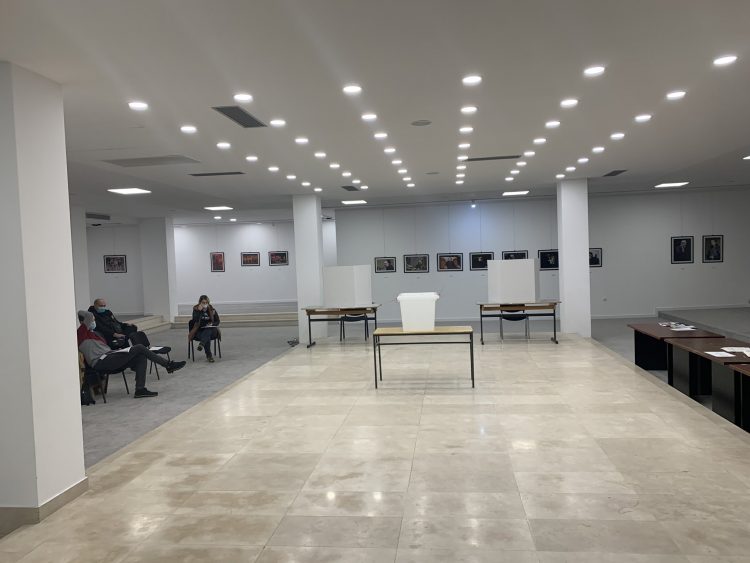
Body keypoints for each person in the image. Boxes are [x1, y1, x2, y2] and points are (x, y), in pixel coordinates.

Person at [77, 311, 185, 398]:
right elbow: (86, 315)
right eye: (93, 320)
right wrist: (94, 310)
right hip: (101, 361)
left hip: (110, 356)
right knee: (139, 347)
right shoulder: (80, 333)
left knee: (141, 356)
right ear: (84, 322)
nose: (94, 322)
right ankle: (168, 365)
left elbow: (104, 348)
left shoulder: (95, 333)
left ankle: (140, 389)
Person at [188, 295, 221, 363]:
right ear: (200, 303)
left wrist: (212, 324)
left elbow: (217, 321)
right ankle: (209, 356)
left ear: (208, 302)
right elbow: (195, 321)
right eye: (203, 302)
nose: (205, 304)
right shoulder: (196, 310)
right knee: (206, 336)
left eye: (206, 302)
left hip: (212, 331)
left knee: (208, 330)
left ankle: (202, 344)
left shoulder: (212, 310)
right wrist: (199, 311)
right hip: (200, 331)